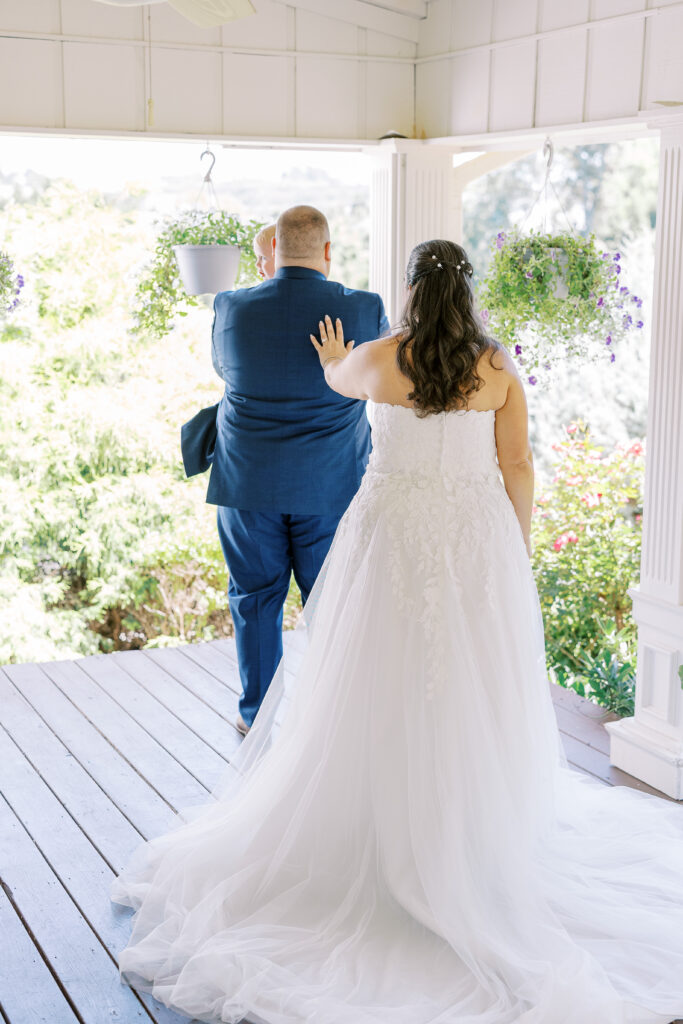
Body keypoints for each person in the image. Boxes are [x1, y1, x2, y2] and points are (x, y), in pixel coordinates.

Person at [112, 239, 683, 1023]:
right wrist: (510, 548)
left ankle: (381, 829)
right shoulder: (496, 367)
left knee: (376, 673)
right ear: (468, 292)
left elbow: (335, 378)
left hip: (392, 540)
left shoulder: (379, 360)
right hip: (474, 540)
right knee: (471, 676)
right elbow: (516, 465)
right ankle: (469, 835)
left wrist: (331, 358)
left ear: (410, 291)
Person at [207, 205, 389, 735]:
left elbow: (222, 369)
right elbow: (371, 379)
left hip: (248, 482)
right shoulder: (363, 308)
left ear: (274, 250)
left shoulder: (230, 306)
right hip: (332, 483)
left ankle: (256, 717)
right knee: (331, 598)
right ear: (328, 251)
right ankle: (332, 717)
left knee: (255, 599)